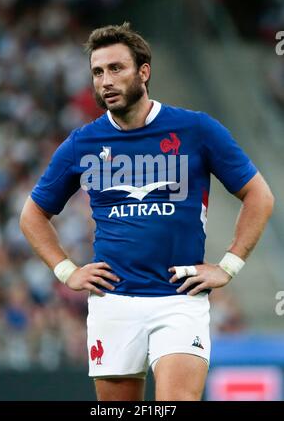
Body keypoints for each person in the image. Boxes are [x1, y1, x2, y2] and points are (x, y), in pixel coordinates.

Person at [20, 22, 274, 401]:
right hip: (113, 302)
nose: (105, 80)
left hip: (179, 299)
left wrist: (229, 265)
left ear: (144, 71)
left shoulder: (196, 129)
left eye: (116, 68)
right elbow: (32, 214)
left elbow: (259, 195)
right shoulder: (82, 142)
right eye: (97, 72)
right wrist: (66, 271)